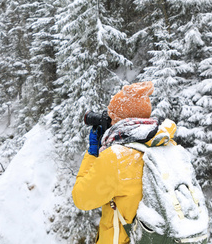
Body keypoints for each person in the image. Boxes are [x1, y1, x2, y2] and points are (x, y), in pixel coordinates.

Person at [72, 81, 177, 244]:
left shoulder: (117, 158)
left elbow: (81, 198)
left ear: (119, 121)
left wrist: (93, 153)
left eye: (111, 117)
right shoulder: (169, 146)